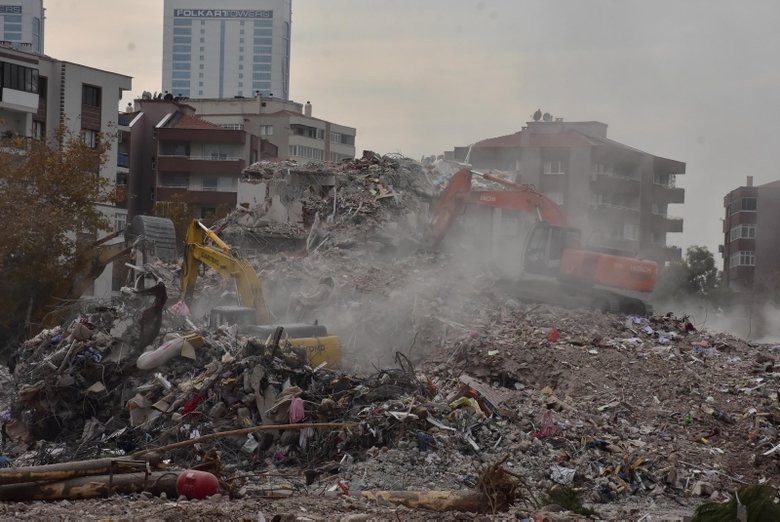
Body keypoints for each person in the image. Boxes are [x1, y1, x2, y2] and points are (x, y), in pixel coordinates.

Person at [135, 281, 168, 349]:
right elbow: (149, 291)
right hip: (157, 312)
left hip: (156, 311)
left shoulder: (159, 289)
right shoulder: (163, 293)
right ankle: (144, 342)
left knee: (145, 317)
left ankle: (143, 343)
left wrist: (138, 292)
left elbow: (149, 291)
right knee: (153, 327)